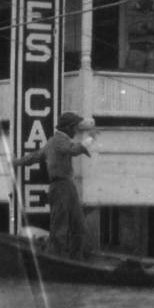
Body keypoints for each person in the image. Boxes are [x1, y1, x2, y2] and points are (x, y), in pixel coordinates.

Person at [11, 111, 92, 259]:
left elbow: (34, 157)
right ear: (68, 127)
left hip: (67, 186)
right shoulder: (59, 141)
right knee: (63, 227)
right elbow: (71, 150)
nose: (76, 130)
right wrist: (85, 144)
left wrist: (16, 162)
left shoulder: (53, 142)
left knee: (75, 225)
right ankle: (57, 259)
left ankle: (68, 259)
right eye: (75, 127)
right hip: (61, 187)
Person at [124, 0, 154, 72]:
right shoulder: (132, 13)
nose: (146, 11)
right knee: (134, 75)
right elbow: (130, 27)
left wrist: (148, 26)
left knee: (152, 77)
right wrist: (142, 27)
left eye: (147, 9)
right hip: (136, 49)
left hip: (153, 49)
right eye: (144, 9)